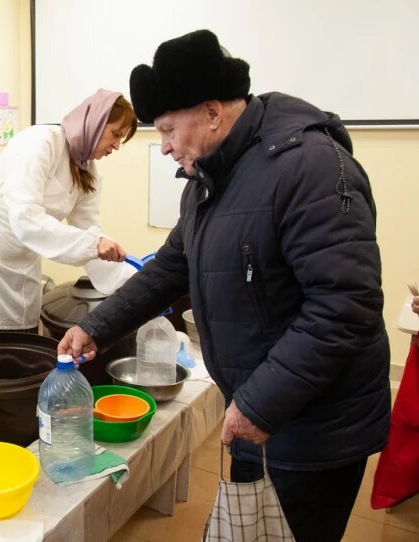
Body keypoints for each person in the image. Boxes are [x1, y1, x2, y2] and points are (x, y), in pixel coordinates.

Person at [58, 30, 390, 542]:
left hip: (314, 429)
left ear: (212, 112)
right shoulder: (211, 177)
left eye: (168, 129)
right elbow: (170, 267)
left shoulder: (310, 166)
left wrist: (259, 404)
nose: (163, 146)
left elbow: (345, 306)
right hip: (268, 409)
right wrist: (96, 327)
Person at [0, 89, 138, 332]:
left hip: (24, 256)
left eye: (121, 140)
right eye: (115, 134)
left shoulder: (89, 171)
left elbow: (89, 230)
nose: (115, 146)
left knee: (25, 336)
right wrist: (94, 243)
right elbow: (25, 217)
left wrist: (128, 280)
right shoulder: (41, 142)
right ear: (94, 123)